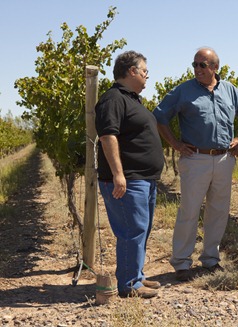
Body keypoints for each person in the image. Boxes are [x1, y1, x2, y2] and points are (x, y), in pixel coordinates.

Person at [153, 47, 238, 282]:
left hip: (223, 158)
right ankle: (181, 263)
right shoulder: (183, 90)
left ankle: (210, 260)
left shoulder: (229, 90)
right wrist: (175, 144)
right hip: (195, 158)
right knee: (189, 210)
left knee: (218, 211)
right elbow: (160, 116)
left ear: (215, 67)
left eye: (202, 65)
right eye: (195, 65)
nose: (197, 69)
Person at [95, 50, 164, 298]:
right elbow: (107, 136)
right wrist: (118, 174)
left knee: (140, 230)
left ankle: (137, 275)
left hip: (144, 179)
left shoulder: (132, 99)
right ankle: (128, 284)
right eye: (145, 71)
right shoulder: (113, 99)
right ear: (132, 71)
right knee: (131, 230)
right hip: (130, 179)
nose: (147, 76)